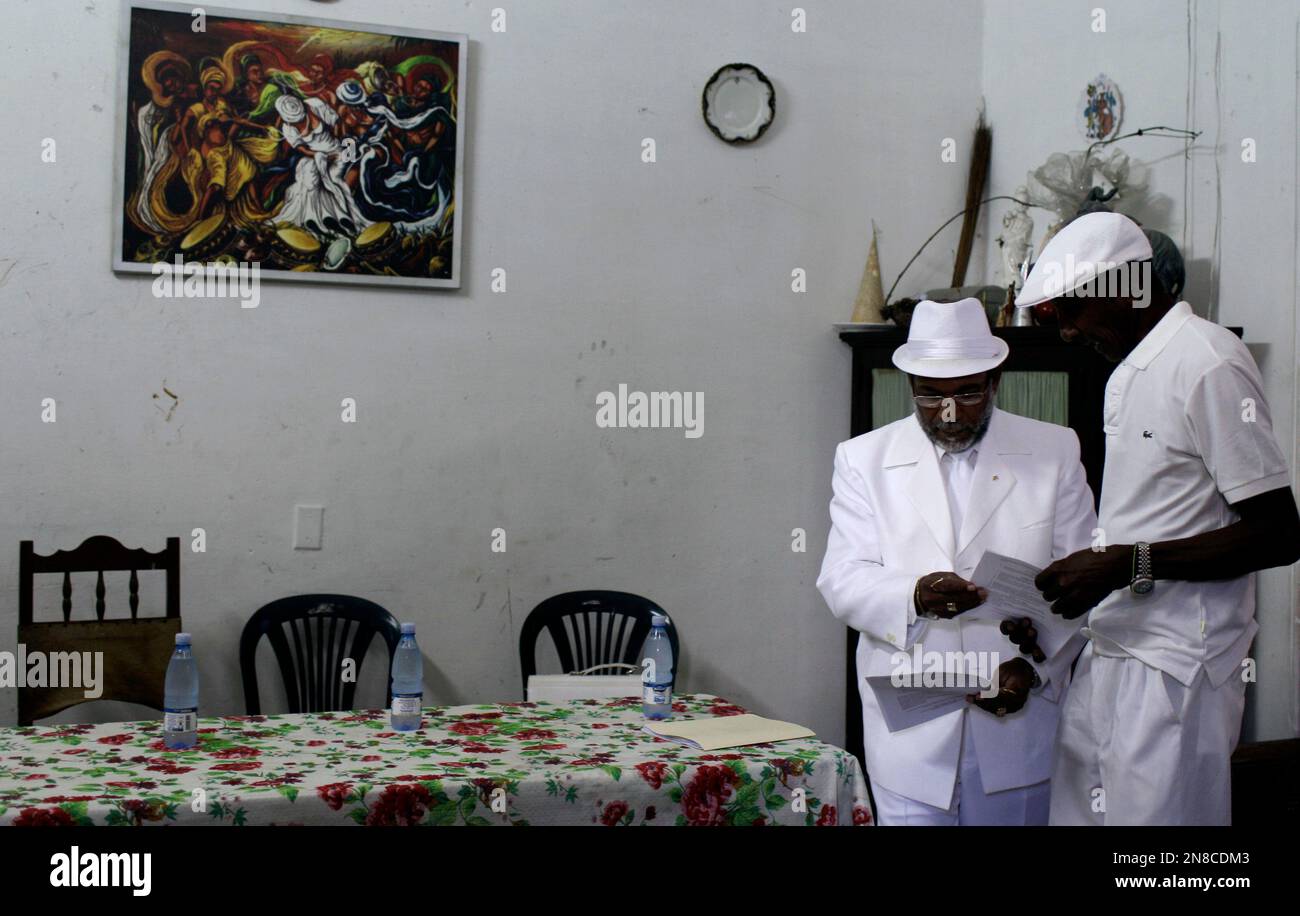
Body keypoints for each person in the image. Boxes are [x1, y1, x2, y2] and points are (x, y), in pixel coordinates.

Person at [1015, 211, 1300, 825]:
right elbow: (1147, 517)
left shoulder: (1208, 362)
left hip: (1179, 667)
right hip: (1114, 648)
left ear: (1126, 290)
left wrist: (1126, 563)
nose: (1065, 332)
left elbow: (1278, 532)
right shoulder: (1132, 367)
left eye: (1070, 311)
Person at [817, 298, 1097, 825]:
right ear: (910, 387)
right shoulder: (863, 459)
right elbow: (841, 579)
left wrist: (1035, 670)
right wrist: (913, 595)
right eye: (931, 395)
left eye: (967, 393)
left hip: (1019, 718)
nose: (948, 411)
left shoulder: (1055, 451)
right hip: (911, 728)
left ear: (995, 381)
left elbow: (1085, 583)